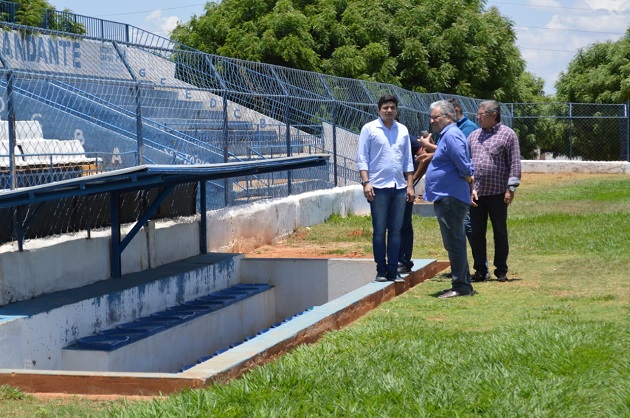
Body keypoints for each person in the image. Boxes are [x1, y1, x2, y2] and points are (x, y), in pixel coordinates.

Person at [357, 94, 415, 283]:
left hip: (398, 186)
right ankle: (381, 269)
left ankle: (393, 269)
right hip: (378, 187)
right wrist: (366, 182)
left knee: (396, 230)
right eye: (385, 107)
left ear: (396, 110)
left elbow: (408, 160)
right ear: (378, 110)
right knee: (380, 230)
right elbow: (362, 158)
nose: (389, 110)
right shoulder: (369, 129)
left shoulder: (403, 130)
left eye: (392, 107)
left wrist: (410, 185)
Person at [423, 100, 475, 298]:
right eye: (431, 117)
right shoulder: (447, 136)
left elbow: (464, 165)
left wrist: (470, 179)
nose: (432, 121)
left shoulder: (452, 135)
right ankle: (462, 283)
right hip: (447, 197)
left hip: (451, 198)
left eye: (435, 117)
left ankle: (461, 286)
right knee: (454, 241)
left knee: (454, 242)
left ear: (449, 116)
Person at [468, 100, 522, 282]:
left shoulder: (508, 135)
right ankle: (481, 270)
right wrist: (469, 188)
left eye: (482, 114)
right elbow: (466, 162)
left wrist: (510, 188)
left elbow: (514, 163)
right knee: (476, 232)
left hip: (499, 192)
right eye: (478, 114)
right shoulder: (473, 136)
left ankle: (501, 270)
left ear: (494, 116)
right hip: (477, 193)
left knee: (499, 231)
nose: (478, 117)